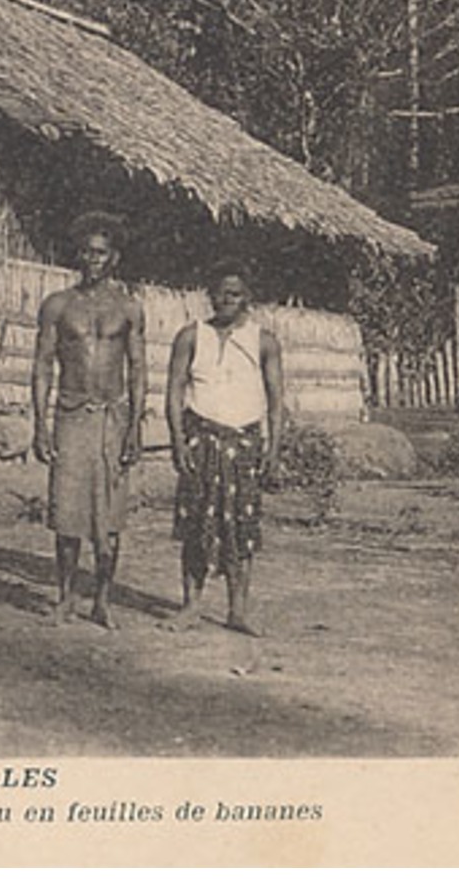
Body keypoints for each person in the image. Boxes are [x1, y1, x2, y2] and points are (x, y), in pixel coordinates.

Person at [31, 212, 147, 630]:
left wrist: (135, 427)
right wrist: (40, 426)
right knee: (67, 515)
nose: (92, 260)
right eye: (86, 252)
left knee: (110, 521)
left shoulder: (129, 309)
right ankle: (65, 598)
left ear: (113, 257)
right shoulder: (58, 306)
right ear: (78, 255)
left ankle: (102, 600)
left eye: (100, 253)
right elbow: (43, 365)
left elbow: (137, 369)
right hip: (72, 415)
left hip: (112, 417)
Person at [163, 260, 284, 637]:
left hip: (243, 444)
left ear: (247, 297)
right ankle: (191, 607)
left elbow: (277, 400)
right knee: (195, 524)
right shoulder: (190, 336)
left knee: (241, 529)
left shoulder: (263, 341)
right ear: (209, 295)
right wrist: (178, 442)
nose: (226, 300)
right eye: (219, 293)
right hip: (200, 441)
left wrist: (274, 449)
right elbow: (173, 392)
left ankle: (238, 611)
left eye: (234, 294)